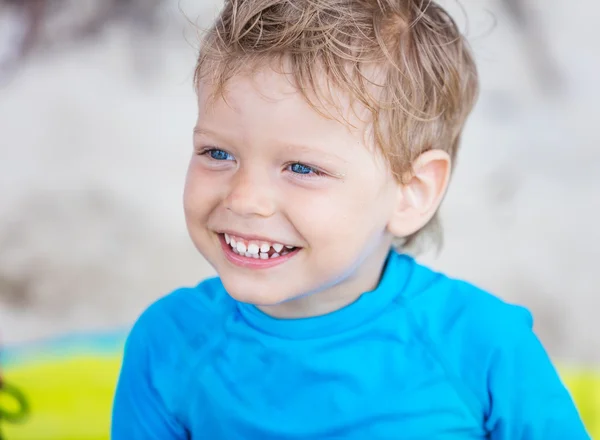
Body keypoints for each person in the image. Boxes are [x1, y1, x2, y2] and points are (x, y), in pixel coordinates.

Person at [111, 0, 590, 438]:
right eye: (217, 152)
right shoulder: (167, 346)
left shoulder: (485, 349)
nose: (245, 199)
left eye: (302, 168)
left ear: (411, 193)